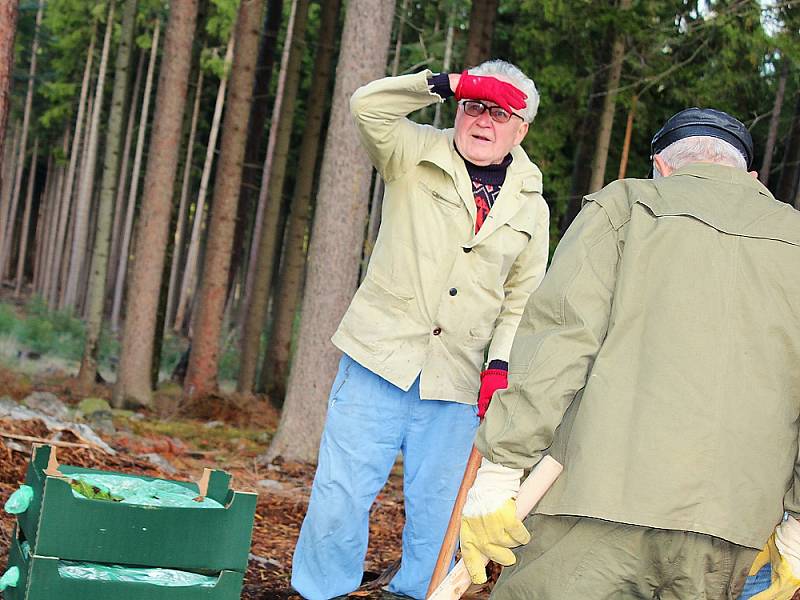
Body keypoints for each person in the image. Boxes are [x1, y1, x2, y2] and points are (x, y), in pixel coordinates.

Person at [458, 107, 800, 599]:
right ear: (750, 176)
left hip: (594, 505)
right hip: (728, 527)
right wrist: (794, 526)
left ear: (660, 165)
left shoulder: (626, 206)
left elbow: (559, 343)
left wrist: (500, 470)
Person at [290, 61, 550, 600]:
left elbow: (522, 297)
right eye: (474, 106)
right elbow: (366, 105)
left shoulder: (533, 204)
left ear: (521, 128)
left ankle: (416, 594)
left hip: (458, 382)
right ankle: (320, 592)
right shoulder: (413, 151)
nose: (482, 120)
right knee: (340, 495)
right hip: (377, 361)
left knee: (439, 512)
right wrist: (443, 84)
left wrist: (500, 364)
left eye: (499, 112)